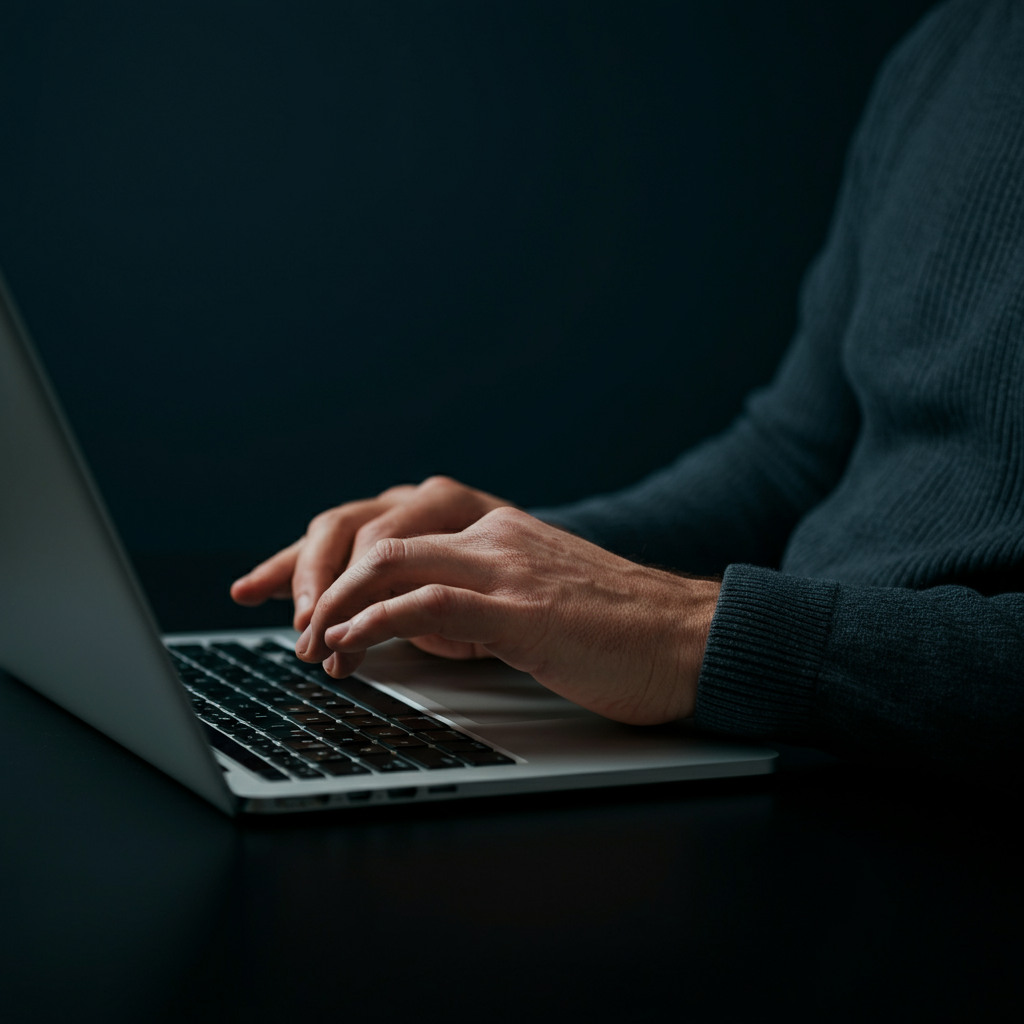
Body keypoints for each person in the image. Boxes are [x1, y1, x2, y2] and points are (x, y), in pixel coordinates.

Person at [232, 0, 1024, 770]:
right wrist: (500, 568)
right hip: (788, 740)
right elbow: (792, 462)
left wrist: (698, 635)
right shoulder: (956, 41)